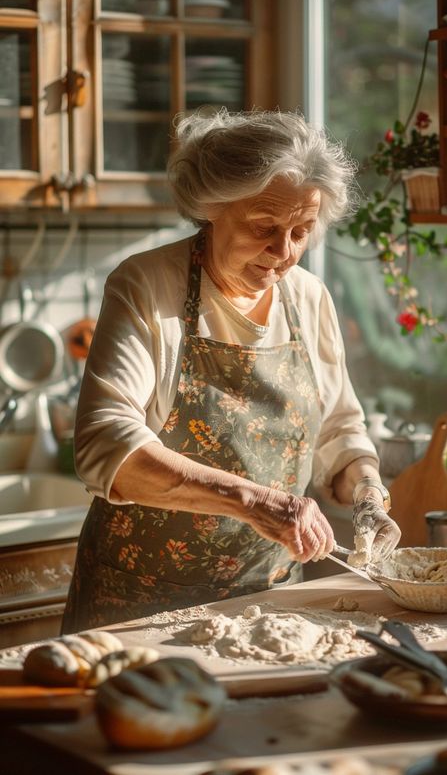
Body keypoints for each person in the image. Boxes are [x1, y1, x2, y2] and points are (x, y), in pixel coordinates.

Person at [62, 109, 401, 633]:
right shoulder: (145, 286)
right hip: (140, 606)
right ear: (211, 208)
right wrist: (257, 502)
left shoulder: (308, 298)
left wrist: (368, 496)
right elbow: (105, 444)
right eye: (264, 227)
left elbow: (339, 431)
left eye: (302, 231)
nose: (283, 253)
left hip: (268, 609)